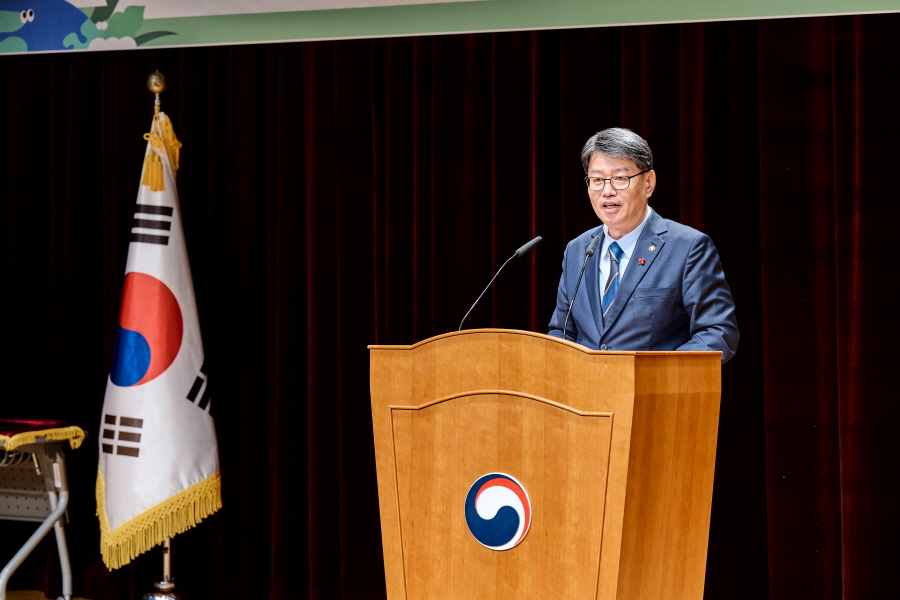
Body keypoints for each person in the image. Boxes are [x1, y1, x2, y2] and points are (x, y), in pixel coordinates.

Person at [548, 128, 739, 362]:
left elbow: (718, 332)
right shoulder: (578, 250)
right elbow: (562, 331)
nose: (607, 191)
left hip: (655, 394)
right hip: (586, 395)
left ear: (648, 183)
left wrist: (657, 375)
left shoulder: (688, 247)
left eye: (620, 178)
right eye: (597, 180)